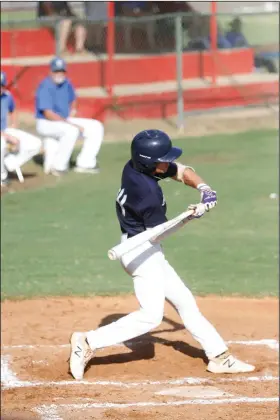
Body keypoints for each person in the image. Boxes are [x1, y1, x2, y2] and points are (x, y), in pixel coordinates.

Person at [69, 129, 255, 380]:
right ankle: (88, 341)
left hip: (143, 247)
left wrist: (204, 189)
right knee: (150, 316)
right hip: (141, 251)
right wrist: (192, 215)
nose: (167, 163)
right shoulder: (147, 194)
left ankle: (219, 357)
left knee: (185, 302)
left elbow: (180, 170)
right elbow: (158, 234)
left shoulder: (136, 166)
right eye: (162, 160)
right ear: (149, 163)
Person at [35, 57, 104, 176]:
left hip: (64, 120)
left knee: (96, 126)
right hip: (46, 122)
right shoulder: (45, 86)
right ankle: (59, 166)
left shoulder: (66, 83)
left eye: (61, 71)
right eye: (56, 71)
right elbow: (47, 113)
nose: (59, 74)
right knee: (71, 130)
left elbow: (73, 99)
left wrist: (73, 110)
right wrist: (70, 123)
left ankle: (85, 163)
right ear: (50, 72)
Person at [1, 72, 41, 187]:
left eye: (1, 85)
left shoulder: (7, 96)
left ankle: (8, 164)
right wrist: (8, 136)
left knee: (36, 144)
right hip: (3, 135)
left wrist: (13, 125)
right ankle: (2, 176)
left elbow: (12, 109)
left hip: (5, 130)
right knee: (2, 145)